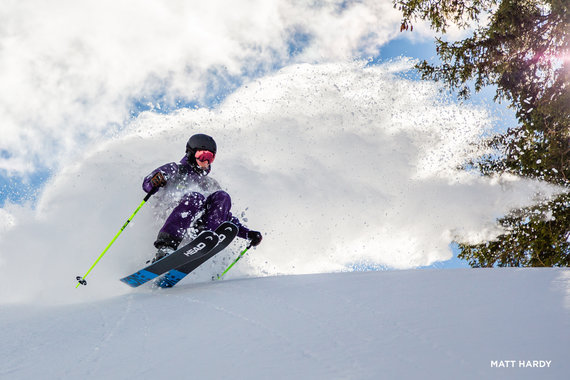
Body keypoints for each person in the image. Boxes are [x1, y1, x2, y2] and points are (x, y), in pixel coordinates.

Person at [142, 133, 262, 262]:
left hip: (193, 229)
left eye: (210, 158)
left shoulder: (209, 184)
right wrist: (155, 181)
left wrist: (247, 234)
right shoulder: (175, 170)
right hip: (168, 223)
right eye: (203, 156)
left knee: (222, 197)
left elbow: (223, 215)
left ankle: (205, 239)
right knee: (195, 198)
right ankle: (166, 248)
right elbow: (147, 185)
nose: (206, 162)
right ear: (191, 154)